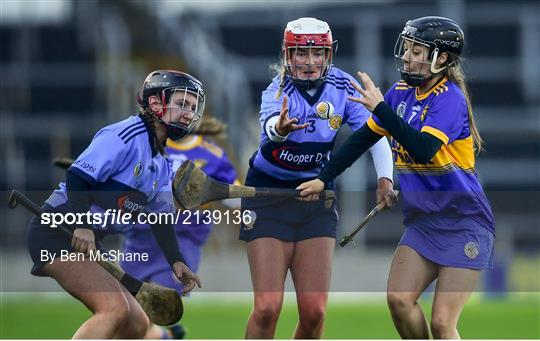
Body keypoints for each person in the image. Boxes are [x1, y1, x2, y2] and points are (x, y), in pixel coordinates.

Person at [297, 16, 495, 339]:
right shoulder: (400, 93)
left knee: (443, 323)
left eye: (417, 51)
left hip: (465, 222)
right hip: (423, 223)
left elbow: (424, 149)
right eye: (408, 47)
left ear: (441, 59)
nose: (406, 55)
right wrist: (324, 177)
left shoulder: (450, 98)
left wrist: (381, 109)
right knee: (399, 301)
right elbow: (363, 139)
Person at [241, 17, 395, 339]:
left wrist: (385, 179)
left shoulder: (342, 86)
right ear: (288, 55)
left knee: (314, 313)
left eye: (317, 53)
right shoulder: (276, 90)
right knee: (268, 308)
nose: (310, 62)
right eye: (301, 53)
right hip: (268, 198)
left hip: (316, 198)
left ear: (328, 55)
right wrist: (281, 130)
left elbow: (375, 134)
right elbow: (271, 129)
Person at [26, 70, 204, 338]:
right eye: (182, 103)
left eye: (192, 107)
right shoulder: (126, 135)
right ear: (155, 104)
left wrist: (176, 261)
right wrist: (82, 225)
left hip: (86, 239)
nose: (189, 113)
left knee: (138, 323)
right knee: (114, 310)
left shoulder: (162, 163)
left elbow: (161, 219)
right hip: (58, 229)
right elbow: (77, 176)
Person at [120, 120, 240, 339]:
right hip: (140, 238)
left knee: (153, 309)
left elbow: (234, 197)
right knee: (124, 316)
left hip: (183, 241)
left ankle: (164, 334)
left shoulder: (212, 154)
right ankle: (166, 336)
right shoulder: (147, 146)